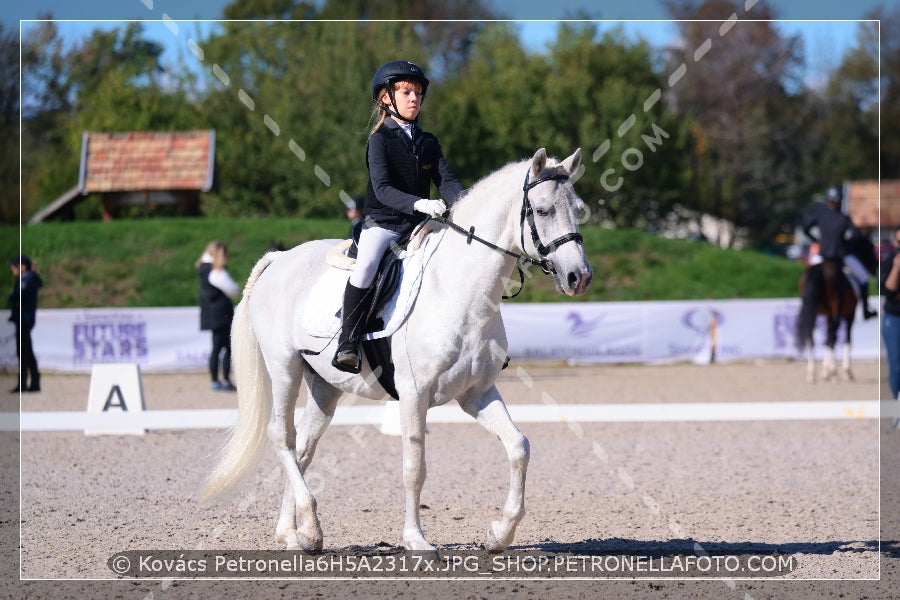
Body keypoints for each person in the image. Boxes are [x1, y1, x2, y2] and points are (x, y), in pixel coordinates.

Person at [332, 60, 463, 373]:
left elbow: (447, 182)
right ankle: (347, 341)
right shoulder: (379, 140)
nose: (414, 98)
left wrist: (469, 206)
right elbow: (383, 189)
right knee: (365, 266)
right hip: (384, 224)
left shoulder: (429, 142)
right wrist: (419, 203)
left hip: (420, 226)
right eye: (406, 92)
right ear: (386, 98)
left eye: (418, 93)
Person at [801, 187, 876, 320]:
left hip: (822, 255)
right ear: (840, 202)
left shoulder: (820, 214)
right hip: (840, 256)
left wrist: (816, 240)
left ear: (828, 201)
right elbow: (856, 235)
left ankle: (806, 303)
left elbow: (806, 228)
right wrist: (844, 243)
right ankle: (865, 310)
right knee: (863, 277)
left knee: (808, 278)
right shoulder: (844, 218)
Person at [196, 241, 240, 391]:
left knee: (216, 348)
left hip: (211, 314)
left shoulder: (203, 269)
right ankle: (224, 379)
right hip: (221, 314)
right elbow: (233, 290)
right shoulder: (216, 272)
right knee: (226, 347)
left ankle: (216, 379)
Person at [7, 254, 42, 393]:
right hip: (22, 318)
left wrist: (14, 299)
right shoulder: (23, 279)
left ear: (22, 266)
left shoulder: (28, 279)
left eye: (14, 266)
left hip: (24, 319)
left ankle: (25, 383)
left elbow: (17, 296)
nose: (12, 269)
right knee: (26, 351)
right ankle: (32, 382)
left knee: (23, 351)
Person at [881, 227, 900, 410]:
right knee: (896, 366)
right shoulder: (890, 261)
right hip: (895, 319)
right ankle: (897, 409)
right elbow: (888, 291)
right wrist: (897, 266)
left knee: (860, 280)